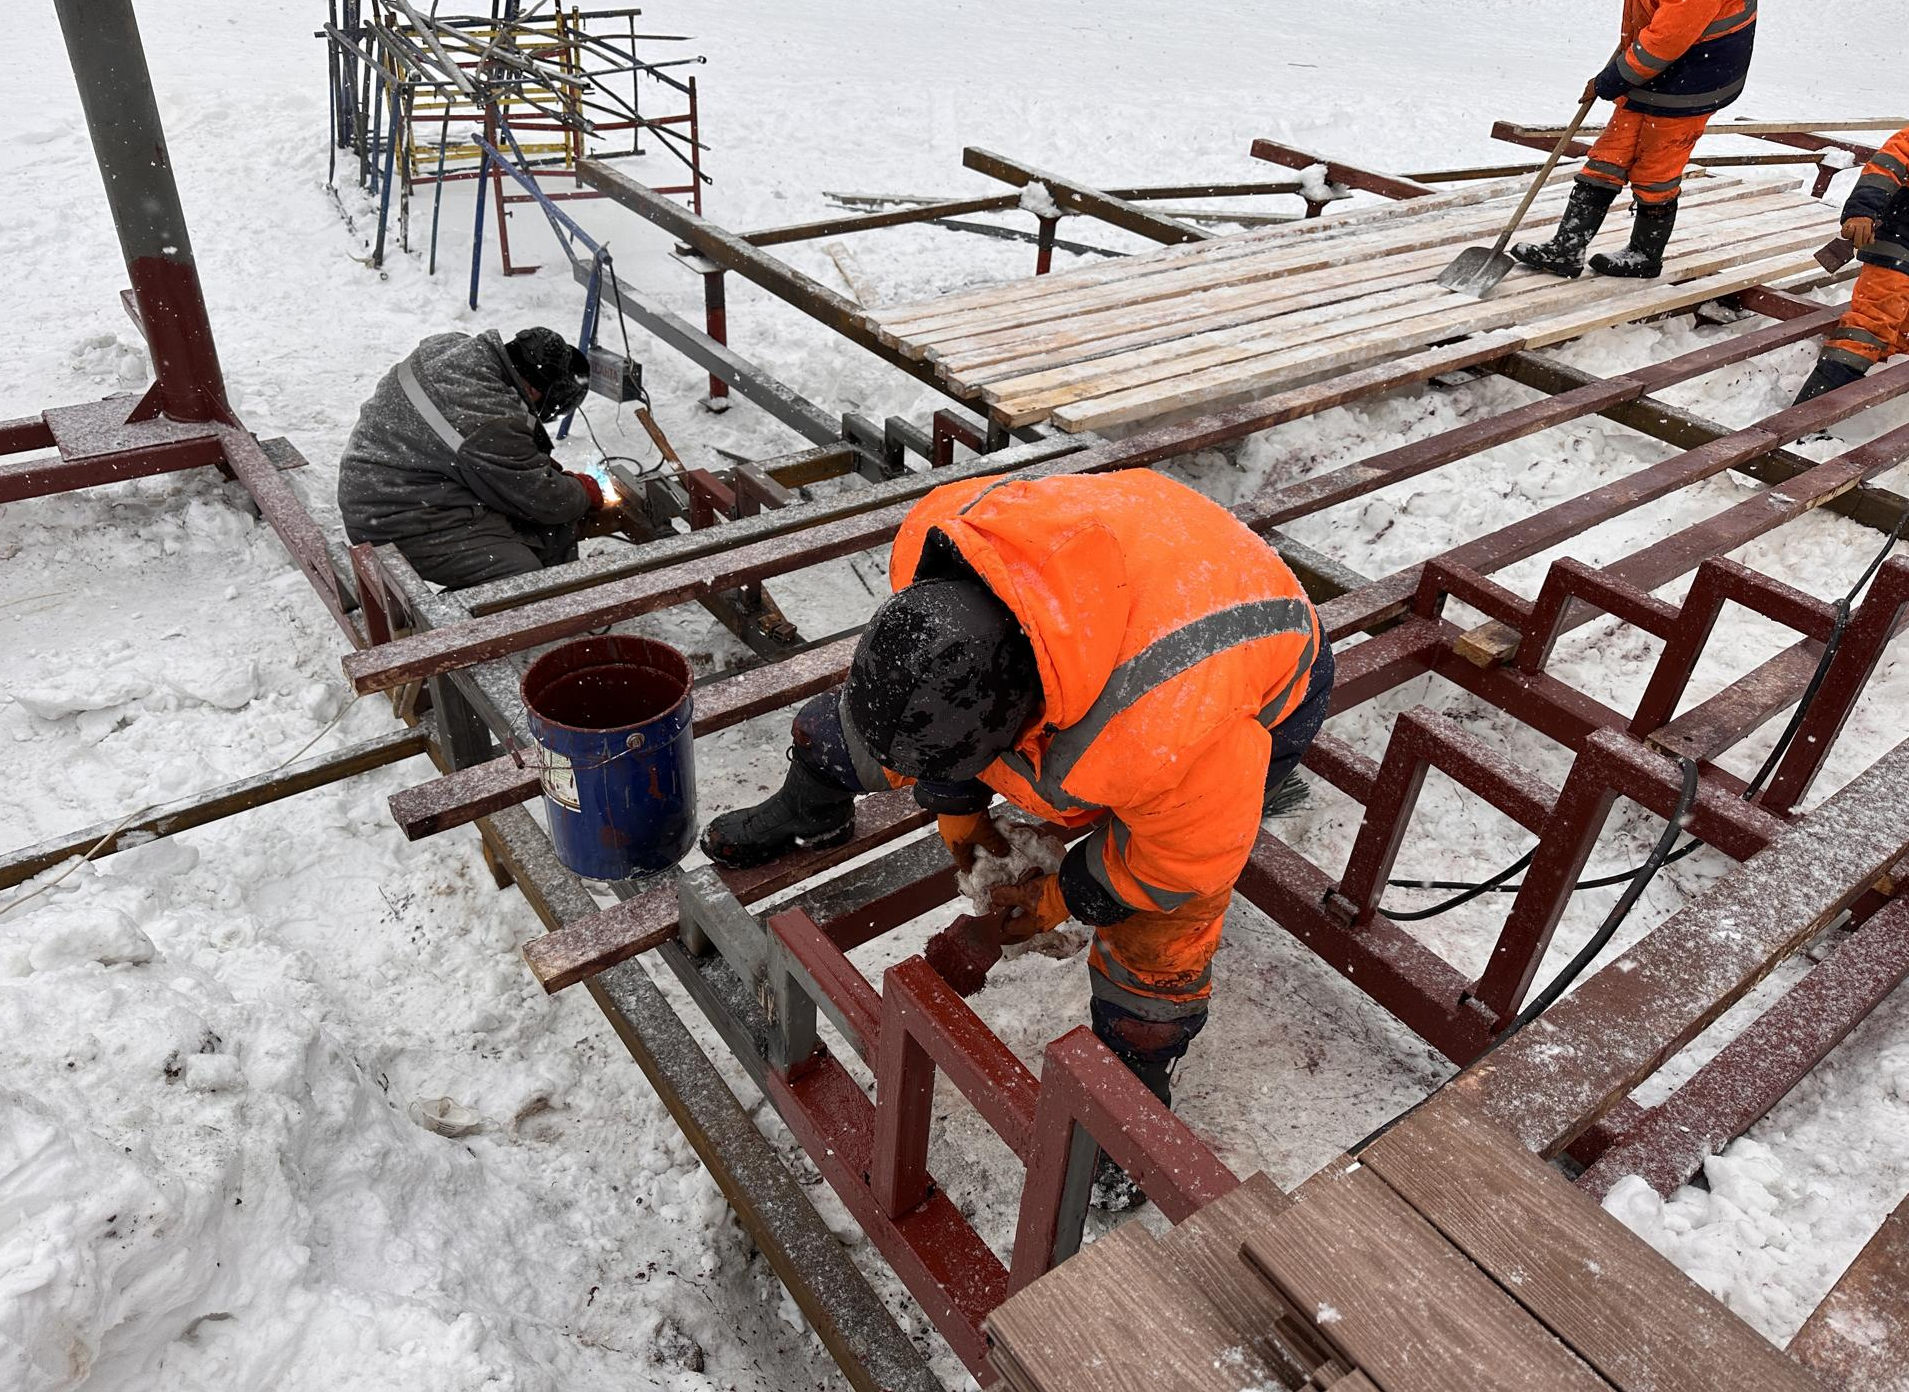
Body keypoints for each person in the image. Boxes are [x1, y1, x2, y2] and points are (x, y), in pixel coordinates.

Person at [702, 471, 1333, 1205]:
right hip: (1128, 566)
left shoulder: (1161, 731)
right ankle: (810, 807)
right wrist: (955, 803)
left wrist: (1065, 897)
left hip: (1254, 652)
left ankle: (1135, 1069)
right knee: (862, 730)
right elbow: (932, 716)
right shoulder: (939, 548)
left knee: (1163, 920)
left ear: (1022, 727)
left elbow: (1184, 858)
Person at [338, 326, 607, 590]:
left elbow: (457, 439)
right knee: (522, 581)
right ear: (536, 392)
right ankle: (462, 625)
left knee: (539, 529)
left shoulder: (452, 349)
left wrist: (525, 462)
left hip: (377, 488)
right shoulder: (492, 417)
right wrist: (581, 490)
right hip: (396, 522)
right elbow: (546, 500)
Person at [1513, 0, 1758, 282]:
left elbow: (1667, 39)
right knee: (1608, 157)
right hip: (1658, 75)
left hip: (1690, 82)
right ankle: (1566, 249)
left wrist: (1611, 80)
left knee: (1656, 173)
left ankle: (1645, 255)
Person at [1794, 127, 1909, 404]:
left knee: (1897, 330)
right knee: (1868, 328)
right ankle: (1807, 416)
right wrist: (1862, 211)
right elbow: (1884, 170)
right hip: (1899, 243)